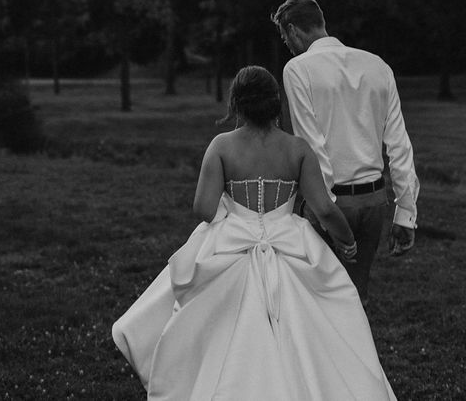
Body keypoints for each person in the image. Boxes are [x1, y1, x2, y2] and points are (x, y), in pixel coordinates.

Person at [113, 66, 397, 401]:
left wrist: (236, 212)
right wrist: (347, 241)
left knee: (221, 330)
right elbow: (324, 208)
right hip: (291, 243)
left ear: (237, 104)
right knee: (315, 325)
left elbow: (203, 209)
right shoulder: (297, 149)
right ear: (276, 103)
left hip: (232, 242)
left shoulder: (221, 146)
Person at [272, 0, 419, 303]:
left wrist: (327, 212)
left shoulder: (298, 69)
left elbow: (311, 144)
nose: (286, 43)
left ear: (293, 30)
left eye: (284, 36)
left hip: (331, 203)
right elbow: (399, 144)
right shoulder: (377, 66)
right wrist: (405, 212)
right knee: (356, 299)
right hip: (374, 204)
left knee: (319, 303)